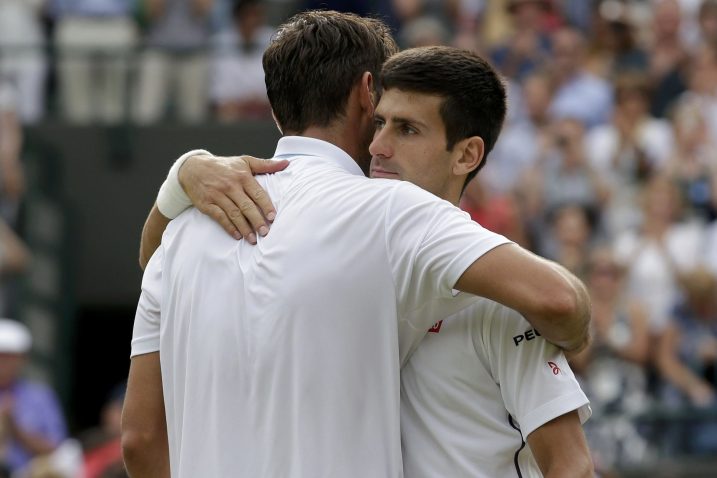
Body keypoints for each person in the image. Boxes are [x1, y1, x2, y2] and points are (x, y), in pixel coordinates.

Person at [123, 11, 591, 478]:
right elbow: (559, 301)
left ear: (273, 106)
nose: (380, 146)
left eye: (406, 128)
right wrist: (575, 334)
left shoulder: (184, 229)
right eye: (384, 121)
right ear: (367, 93)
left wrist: (182, 176)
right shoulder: (391, 213)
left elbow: (141, 441)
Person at [0, 319, 67, 475]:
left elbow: (55, 449)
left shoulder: (40, 397)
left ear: (23, 359)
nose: (2, 362)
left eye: (9, 356)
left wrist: (13, 426)